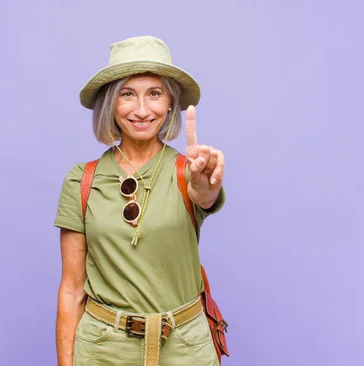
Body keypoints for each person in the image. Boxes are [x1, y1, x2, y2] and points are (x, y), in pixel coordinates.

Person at [53, 35, 226, 366]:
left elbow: (204, 195)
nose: (142, 110)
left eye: (155, 94)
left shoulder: (189, 172)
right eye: (127, 95)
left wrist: (207, 184)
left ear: (170, 103)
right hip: (104, 349)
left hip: (184, 347)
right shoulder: (81, 180)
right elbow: (72, 290)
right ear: (110, 104)